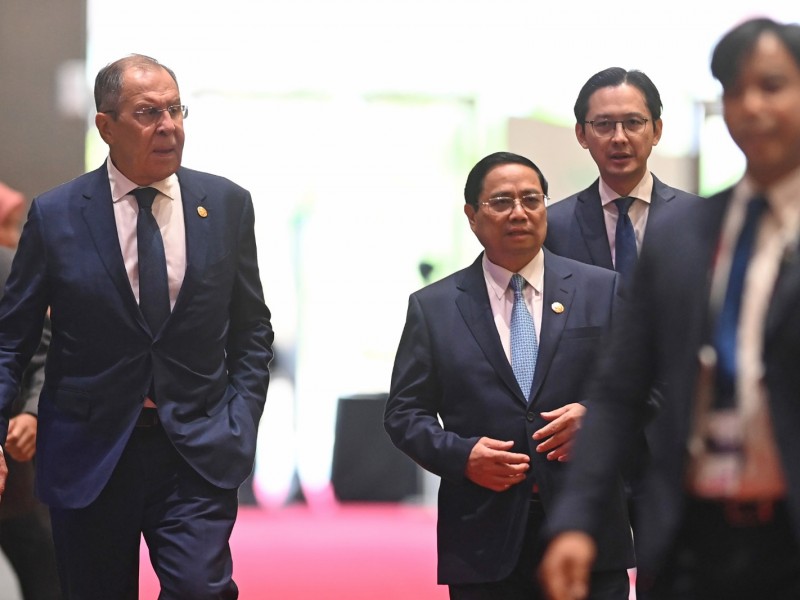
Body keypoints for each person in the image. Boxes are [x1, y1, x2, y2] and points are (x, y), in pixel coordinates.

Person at [539, 17, 800, 600]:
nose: (752, 106)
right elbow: (620, 386)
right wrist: (578, 519)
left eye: (774, 86)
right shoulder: (689, 233)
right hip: (690, 534)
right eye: (735, 91)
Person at [0, 54, 274, 599]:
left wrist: (240, 418)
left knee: (202, 590)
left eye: (175, 109)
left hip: (195, 450)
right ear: (105, 126)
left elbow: (251, 331)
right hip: (89, 453)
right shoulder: (57, 215)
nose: (169, 125)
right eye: (149, 112)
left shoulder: (224, 204)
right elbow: (13, 337)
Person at [385, 151, 633, 599]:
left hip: (587, 531)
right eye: (501, 201)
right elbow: (404, 413)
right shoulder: (434, 307)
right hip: (483, 538)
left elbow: (644, 388)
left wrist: (597, 420)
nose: (518, 212)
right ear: (472, 216)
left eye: (531, 199)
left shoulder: (602, 289)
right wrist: (462, 457)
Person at [545, 66, 699, 286]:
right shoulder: (553, 226)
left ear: (656, 131)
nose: (619, 138)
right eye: (604, 125)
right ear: (582, 135)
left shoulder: (696, 218)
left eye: (633, 123)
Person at [0, 181, 61, 599]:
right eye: (8, 224)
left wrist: (33, 413)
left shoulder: (9, 268)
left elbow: (41, 352)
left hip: (12, 468)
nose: (14, 235)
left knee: (44, 571)